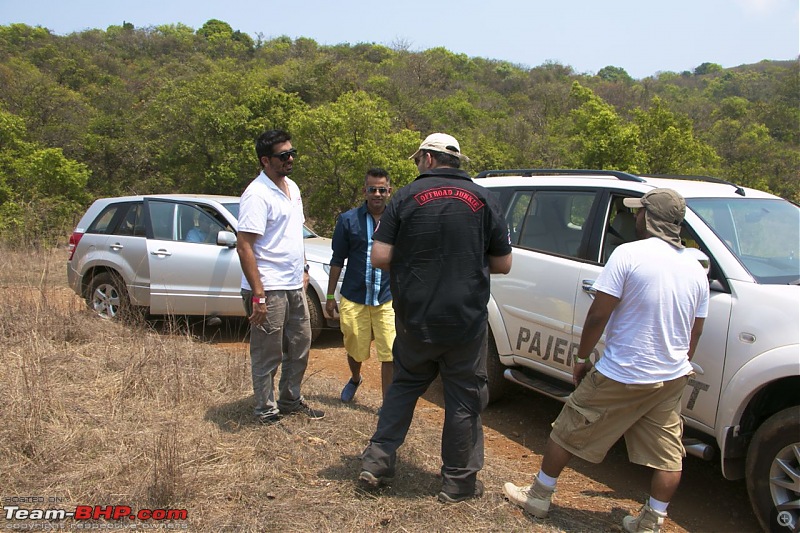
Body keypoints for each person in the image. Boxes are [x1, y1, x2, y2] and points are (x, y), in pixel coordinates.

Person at [503, 188, 709, 533]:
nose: (635, 217)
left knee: (567, 428)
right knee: (669, 454)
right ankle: (651, 521)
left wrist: (582, 357)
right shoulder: (694, 264)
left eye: (639, 212)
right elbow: (696, 330)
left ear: (650, 218)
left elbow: (598, 315)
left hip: (624, 370)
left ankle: (538, 497)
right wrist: (678, 362)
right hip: (671, 377)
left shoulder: (629, 254)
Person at [358, 133, 513, 503]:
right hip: (466, 322)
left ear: (428, 159)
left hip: (415, 320)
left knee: (404, 387)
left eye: (417, 160)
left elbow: (379, 257)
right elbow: (503, 263)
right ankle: (458, 484)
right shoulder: (485, 199)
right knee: (463, 400)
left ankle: (376, 463)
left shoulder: (404, 198)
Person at [236, 129, 325, 425]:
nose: (290, 159)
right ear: (265, 160)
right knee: (267, 351)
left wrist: (304, 269)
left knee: (300, 343)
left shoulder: (292, 187)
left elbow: (294, 234)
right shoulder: (257, 194)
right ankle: (265, 408)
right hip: (268, 287)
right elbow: (245, 245)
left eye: (292, 153)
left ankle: (290, 399)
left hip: (293, 284)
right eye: (283, 155)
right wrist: (258, 294)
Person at [326, 168, 395, 406]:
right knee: (355, 346)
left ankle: (387, 405)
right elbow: (337, 260)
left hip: (387, 298)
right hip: (354, 296)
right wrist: (329, 295)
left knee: (390, 352)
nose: (377, 194)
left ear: (389, 191)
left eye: (381, 189)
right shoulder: (348, 220)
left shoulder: (397, 221)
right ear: (365, 190)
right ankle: (355, 378)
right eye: (372, 189)